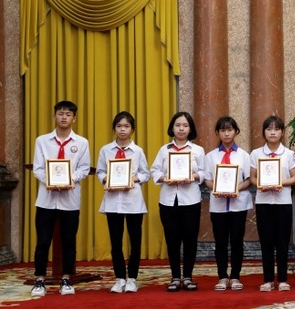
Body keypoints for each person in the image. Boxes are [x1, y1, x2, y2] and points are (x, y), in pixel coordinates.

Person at [30, 101, 91, 297]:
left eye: (68, 114)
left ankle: (66, 279)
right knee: (43, 241)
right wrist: (50, 181)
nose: (64, 117)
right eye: (60, 113)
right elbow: (38, 168)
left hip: (70, 200)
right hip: (46, 199)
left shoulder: (82, 143)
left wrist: (70, 179)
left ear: (75, 118)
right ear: (54, 116)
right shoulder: (42, 141)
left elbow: (84, 168)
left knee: (68, 241)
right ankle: (39, 280)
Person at [150, 112, 205, 292]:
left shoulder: (197, 150)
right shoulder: (164, 150)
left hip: (190, 201)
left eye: (185, 125)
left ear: (191, 129)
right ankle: (175, 277)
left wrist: (193, 176)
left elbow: (204, 173)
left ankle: (188, 276)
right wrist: (165, 178)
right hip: (168, 201)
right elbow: (154, 171)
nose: (181, 129)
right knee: (172, 239)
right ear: (172, 128)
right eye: (178, 125)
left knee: (190, 239)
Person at [96, 111, 150, 293]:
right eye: (119, 126)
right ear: (114, 128)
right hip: (113, 201)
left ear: (132, 129)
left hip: (133, 201)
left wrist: (133, 180)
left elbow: (146, 173)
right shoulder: (105, 150)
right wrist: (106, 180)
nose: (122, 130)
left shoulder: (138, 151)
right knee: (116, 242)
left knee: (135, 242)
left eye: (126, 126)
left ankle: (132, 278)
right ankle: (119, 278)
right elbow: (100, 171)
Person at [250, 115, 295, 292]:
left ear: (282, 132)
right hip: (263, 202)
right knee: (266, 241)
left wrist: (281, 183)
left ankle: (283, 279)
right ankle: (268, 279)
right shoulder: (256, 153)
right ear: (263, 132)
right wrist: (261, 185)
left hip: (283, 202)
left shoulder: (289, 154)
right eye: (269, 129)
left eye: (276, 129)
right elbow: (253, 178)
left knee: (282, 241)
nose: (272, 132)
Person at [203, 116, 252, 291]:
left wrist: (237, 187)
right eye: (223, 130)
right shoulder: (210, 156)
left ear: (236, 131)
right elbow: (207, 180)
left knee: (237, 241)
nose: (226, 133)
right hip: (218, 205)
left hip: (238, 203)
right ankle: (222, 277)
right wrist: (216, 187)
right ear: (218, 133)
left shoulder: (244, 156)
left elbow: (249, 179)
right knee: (221, 241)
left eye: (230, 129)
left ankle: (236, 276)